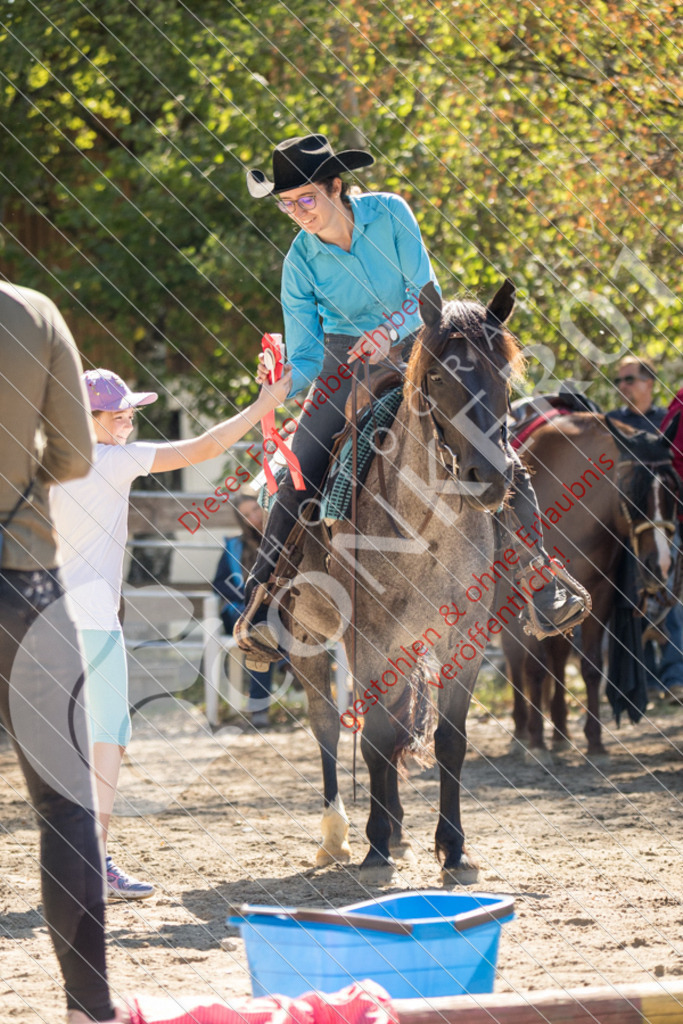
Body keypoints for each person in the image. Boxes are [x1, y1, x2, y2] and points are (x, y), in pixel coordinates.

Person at [236, 132, 587, 660]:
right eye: (287, 205)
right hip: (342, 365)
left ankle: (542, 577)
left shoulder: (391, 214)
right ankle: (261, 600)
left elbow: (426, 294)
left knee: (494, 446)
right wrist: (280, 384)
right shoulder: (298, 262)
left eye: (306, 198)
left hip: (418, 347)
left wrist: (390, 332)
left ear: (337, 187)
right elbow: (307, 354)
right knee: (298, 472)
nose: (297, 213)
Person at [50, 364, 291, 901]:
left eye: (131, 414)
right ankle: (92, 860)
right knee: (106, 740)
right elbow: (203, 449)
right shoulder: (110, 461)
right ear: (86, 419)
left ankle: (77, 861)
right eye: (119, 416)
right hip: (91, 623)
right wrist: (262, 406)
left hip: (44, 623)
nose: (129, 423)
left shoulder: (49, 461)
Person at [0, 283, 121, 1023]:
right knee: (65, 807)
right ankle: (89, 1008)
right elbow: (77, 456)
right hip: (24, 587)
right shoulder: (34, 311)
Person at [607, 357, 683, 704]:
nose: (623, 386)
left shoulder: (664, 422)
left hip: (664, 527)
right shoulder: (613, 424)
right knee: (631, 603)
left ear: (650, 382)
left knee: (673, 600)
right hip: (626, 530)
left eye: (630, 379)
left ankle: (674, 679)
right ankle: (645, 681)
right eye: (619, 380)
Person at [212, 493, 277, 728]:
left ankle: (260, 706)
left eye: (255, 510)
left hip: (275, 613)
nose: (253, 517)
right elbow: (219, 583)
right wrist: (249, 597)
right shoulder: (234, 546)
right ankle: (286, 664)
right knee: (261, 631)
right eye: (246, 515)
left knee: (269, 628)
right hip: (241, 612)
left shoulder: (280, 539)